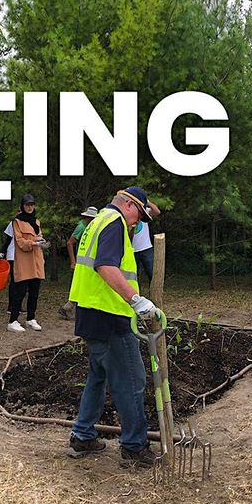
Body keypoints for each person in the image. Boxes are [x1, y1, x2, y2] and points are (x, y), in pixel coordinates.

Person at [67, 186, 163, 469]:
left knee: (99, 376)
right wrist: (136, 300)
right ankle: (134, 447)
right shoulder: (114, 223)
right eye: (139, 217)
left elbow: (153, 211)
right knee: (132, 380)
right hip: (110, 315)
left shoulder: (97, 220)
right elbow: (106, 266)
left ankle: (83, 436)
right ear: (129, 206)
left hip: (90, 312)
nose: (138, 224)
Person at [7, 194, 47, 332]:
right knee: (20, 292)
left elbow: (38, 236)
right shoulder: (17, 222)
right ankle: (13, 321)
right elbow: (20, 242)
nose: (30, 207)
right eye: (27, 205)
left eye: (32, 204)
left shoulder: (36, 222)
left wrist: (40, 241)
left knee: (34, 292)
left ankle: (31, 318)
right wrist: (34, 243)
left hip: (36, 260)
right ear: (22, 206)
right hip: (24, 262)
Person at [58, 206, 99, 320]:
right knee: (81, 285)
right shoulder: (82, 226)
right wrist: (73, 261)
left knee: (83, 285)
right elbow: (70, 243)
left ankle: (69, 307)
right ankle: (70, 307)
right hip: (82, 261)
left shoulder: (92, 226)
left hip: (88, 261)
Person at [130, 201, 162, 285]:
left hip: (146, 248)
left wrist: (147, 201)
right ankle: (136, 295)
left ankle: (155, 294)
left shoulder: (144, 211)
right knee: (133, 277)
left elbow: (157, 211)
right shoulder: (128, 213)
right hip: (131, 250)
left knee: (153, 273)